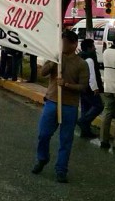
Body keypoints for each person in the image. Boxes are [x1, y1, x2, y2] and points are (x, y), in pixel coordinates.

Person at [31, 31, 88, 184]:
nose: (62, 45)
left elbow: (83, 87)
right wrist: (53, 62)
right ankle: (42, 159)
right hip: (52, 102)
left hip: (70, 106)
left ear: (74, 44)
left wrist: (67, 85)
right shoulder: (55, 57)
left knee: (66, 140)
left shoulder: (81, 64)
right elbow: (42, 73)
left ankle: (61, 170)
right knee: (43, 134)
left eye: (65, 43)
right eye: (61, 42)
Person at [77, 39, 103, 139]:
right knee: (98, 106)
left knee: (85, 108)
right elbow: (91, 74)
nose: (95, 48)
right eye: (93, 46)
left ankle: (85, 132)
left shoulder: (80, 56)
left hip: (81, 87)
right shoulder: (90, 58)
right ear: (89, 48)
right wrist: (95, 88)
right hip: (89, 88)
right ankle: (82, 121)